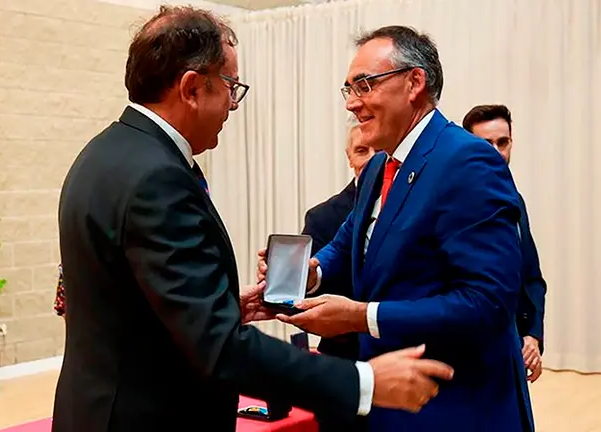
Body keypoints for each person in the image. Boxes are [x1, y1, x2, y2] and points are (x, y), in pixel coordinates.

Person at [51, 8, 453, 432]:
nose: (232, 105)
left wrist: (218, 308)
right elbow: (221, 349)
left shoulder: (106, 152)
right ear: (191, 88)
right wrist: (364, 381)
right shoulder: (158, 178)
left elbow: (134, 305)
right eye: (230, 87)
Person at [258, 26, 534, 431]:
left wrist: (360, 317)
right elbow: (352, 238)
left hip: (457, 407)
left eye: (365, 85)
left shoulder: (468, 161)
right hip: (393, 401)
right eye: (348, 89)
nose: (352, 103)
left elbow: (487, 302)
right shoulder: (378, 166)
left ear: (414, 83)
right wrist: (312, 272)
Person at [462, 104, 547, 383]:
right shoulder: (451, 204)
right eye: (485, 144)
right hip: (470, 354)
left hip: (513, 349)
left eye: (503, 142)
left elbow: (531, 277)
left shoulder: (514, 200)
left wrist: (532, 335)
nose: (497, 152)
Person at [301, 115, 374, 432]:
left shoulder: (412, 200)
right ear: (348, 157)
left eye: (376, 151)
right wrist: (304, 278)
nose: (370, 159)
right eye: (361, 150)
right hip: (343, 362)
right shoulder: (322, 216)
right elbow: (309, 287)